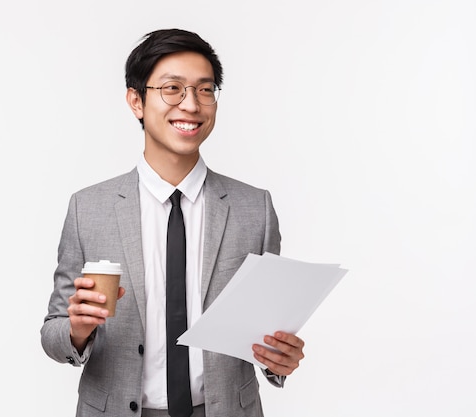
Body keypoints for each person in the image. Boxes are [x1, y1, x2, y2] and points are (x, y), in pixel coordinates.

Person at [41, 28, 305, 417]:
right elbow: (53, 332)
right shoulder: (88, 208)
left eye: (204, 89)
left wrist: (278, 358)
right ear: (136, 101)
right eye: (172, 89)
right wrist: (78, 331)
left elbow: (267, 332)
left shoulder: (255, 208)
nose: (191, 105)